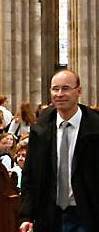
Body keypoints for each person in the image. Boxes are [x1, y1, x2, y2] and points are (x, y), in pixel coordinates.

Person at [20, 70, 99, 232]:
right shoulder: (40, 128)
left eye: (65, 88)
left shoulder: (95, 127)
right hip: (49, 214)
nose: (60, 94)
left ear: (79, 91)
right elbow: (30, 175)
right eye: (55, 89)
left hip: (87, 214)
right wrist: (26, 216)